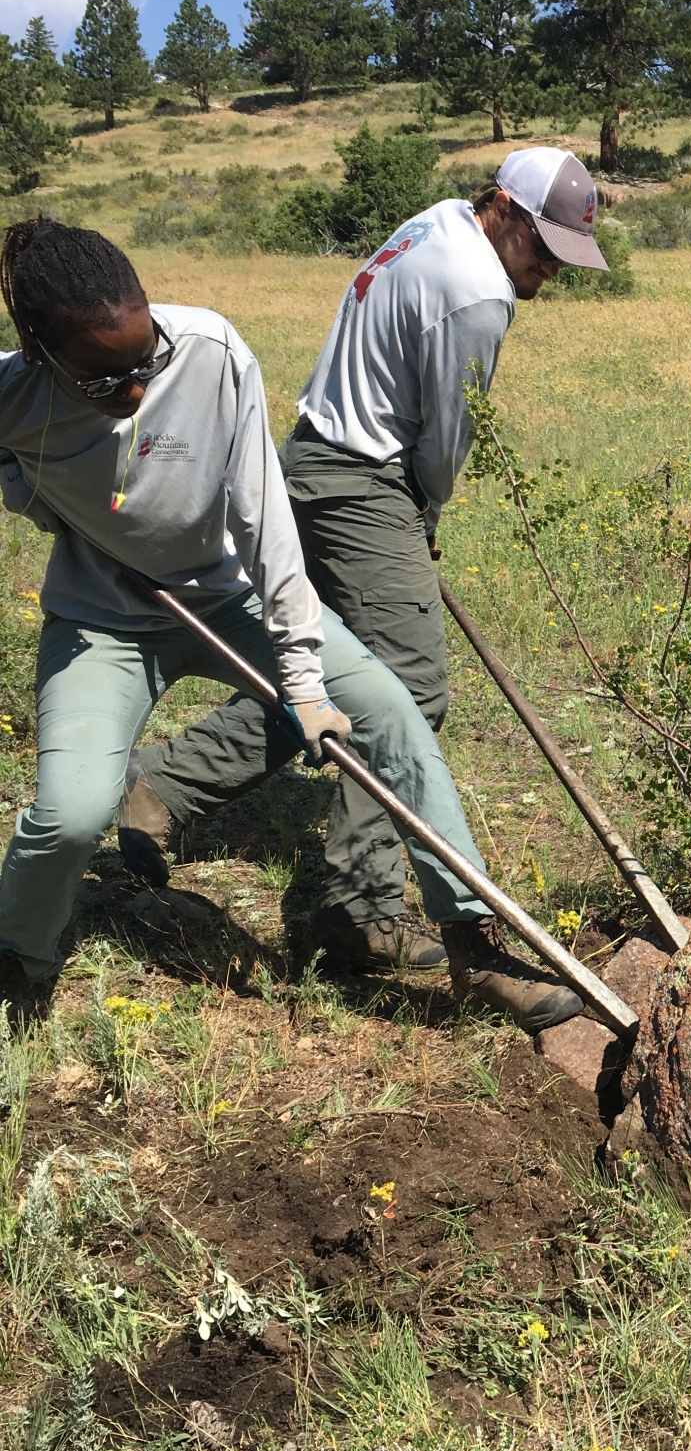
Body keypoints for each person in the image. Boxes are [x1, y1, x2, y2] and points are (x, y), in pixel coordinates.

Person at [0, 215, 582, 1028]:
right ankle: (20, 959)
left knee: (393, 713)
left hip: (230, 596)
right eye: (105, 381)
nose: (135, 391)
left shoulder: (209, 353)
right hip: (104, 623)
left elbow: (269, 528)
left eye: (145, 362)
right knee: (69, 814)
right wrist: (28, 492)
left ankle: (474, 946)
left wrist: (303, 682)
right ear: (40, 353)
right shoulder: (13, 396)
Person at [117, 148, 608, 980]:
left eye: (565, 254)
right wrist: (423, 517)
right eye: (545, 247)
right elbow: (448, 441)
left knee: (332, 674)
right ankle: (357, 910)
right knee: (410, 688)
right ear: (505, 209)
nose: (552, 269)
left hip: (306, 457)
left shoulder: (435, 223)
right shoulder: (482, 293)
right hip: (364, 481)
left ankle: (164, 787)